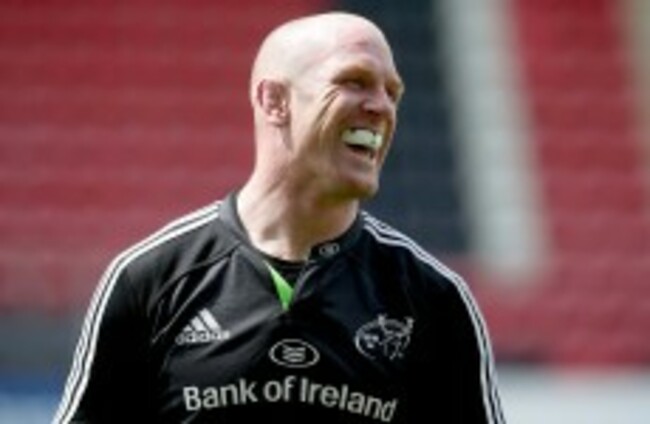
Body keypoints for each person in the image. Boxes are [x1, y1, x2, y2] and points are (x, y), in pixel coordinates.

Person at [53, 11, 505, 423]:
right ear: (274, 101)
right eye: (354, 81)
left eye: (392, 93)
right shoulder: (150, 279)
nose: (381, 107)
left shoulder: (432, 299)